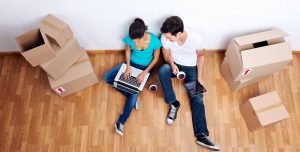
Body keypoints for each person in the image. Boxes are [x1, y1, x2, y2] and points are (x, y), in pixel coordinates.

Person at [158, 16, 220, 151]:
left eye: (170, 38)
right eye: (166, 37)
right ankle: (173, 104)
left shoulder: (196, 38)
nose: (167, 39)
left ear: (179, 33)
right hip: (175, 65)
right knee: (163, 70)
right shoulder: (165, 36)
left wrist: (199, 77)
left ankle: (202, 134)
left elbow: (201, 56)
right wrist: (172, 64)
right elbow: (166, 52)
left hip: (191, 67)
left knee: (197, 98)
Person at [103, 18, 161, 136]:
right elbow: (128, 52)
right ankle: (131, 96)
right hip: (130, 64)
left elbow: (156, 59)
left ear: (144, 34)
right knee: (107, 78)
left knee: (134, 94)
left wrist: (144, 73)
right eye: (132, 41)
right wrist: (128, 67)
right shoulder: (130, 39)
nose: (134, 43)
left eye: (136, 40)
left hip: (144, 68)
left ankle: (121, 122)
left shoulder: (154, 41)